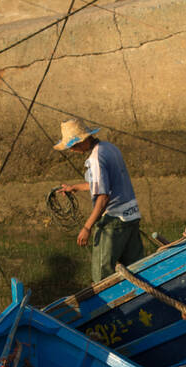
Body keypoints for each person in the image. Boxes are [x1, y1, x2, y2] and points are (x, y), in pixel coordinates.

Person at [54, 119, 144, 283]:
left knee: (102, 276)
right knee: (136, 270)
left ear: (82, 142)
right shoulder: (109, 148)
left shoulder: (95, 159)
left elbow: (103, 197)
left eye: (73, 146)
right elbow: (102, 184)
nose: (73, 150)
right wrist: (74, 187)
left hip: (114, 221)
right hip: (132, 215)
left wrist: (87, 227)